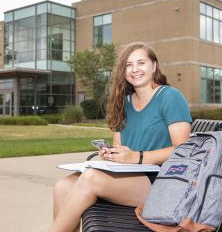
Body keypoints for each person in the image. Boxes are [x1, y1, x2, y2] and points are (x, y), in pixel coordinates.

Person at [49, 42, 192, 232]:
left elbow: (183, 149)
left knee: (90, 179)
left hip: (161, 180)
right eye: (128, 65)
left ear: (154, 66)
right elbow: (120, 146)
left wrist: (137, 157)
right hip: (129, 175)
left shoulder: (170, 96)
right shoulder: (124, 103)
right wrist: (112, 155)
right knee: (62, 186)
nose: (134, 69)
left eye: (141, 63)